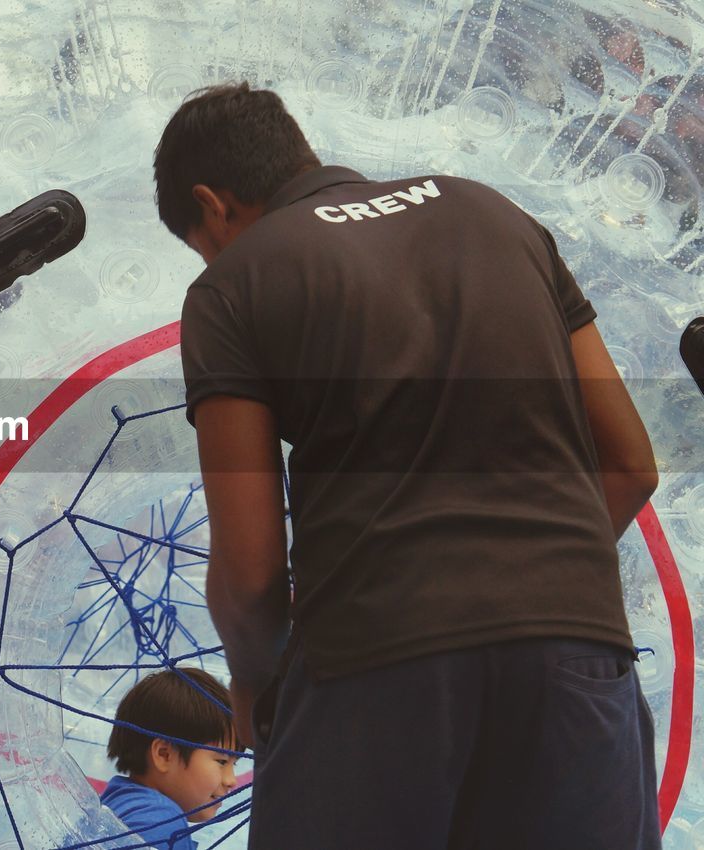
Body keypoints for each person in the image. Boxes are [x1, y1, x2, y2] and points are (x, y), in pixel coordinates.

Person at [155, 81, 661, 849]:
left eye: (203, 240)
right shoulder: (498, 215)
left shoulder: (235, 283)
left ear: (212, 204)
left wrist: (257, 685)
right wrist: (539, 580)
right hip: (578, 648)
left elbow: (252, 568)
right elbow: (629, 464)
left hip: (375, 658)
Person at [100, 668, 239, 850]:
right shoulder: (160, 820)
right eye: (221, 761)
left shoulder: (119, 799)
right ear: (164, 755)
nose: (232, 781)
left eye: (234, 764)